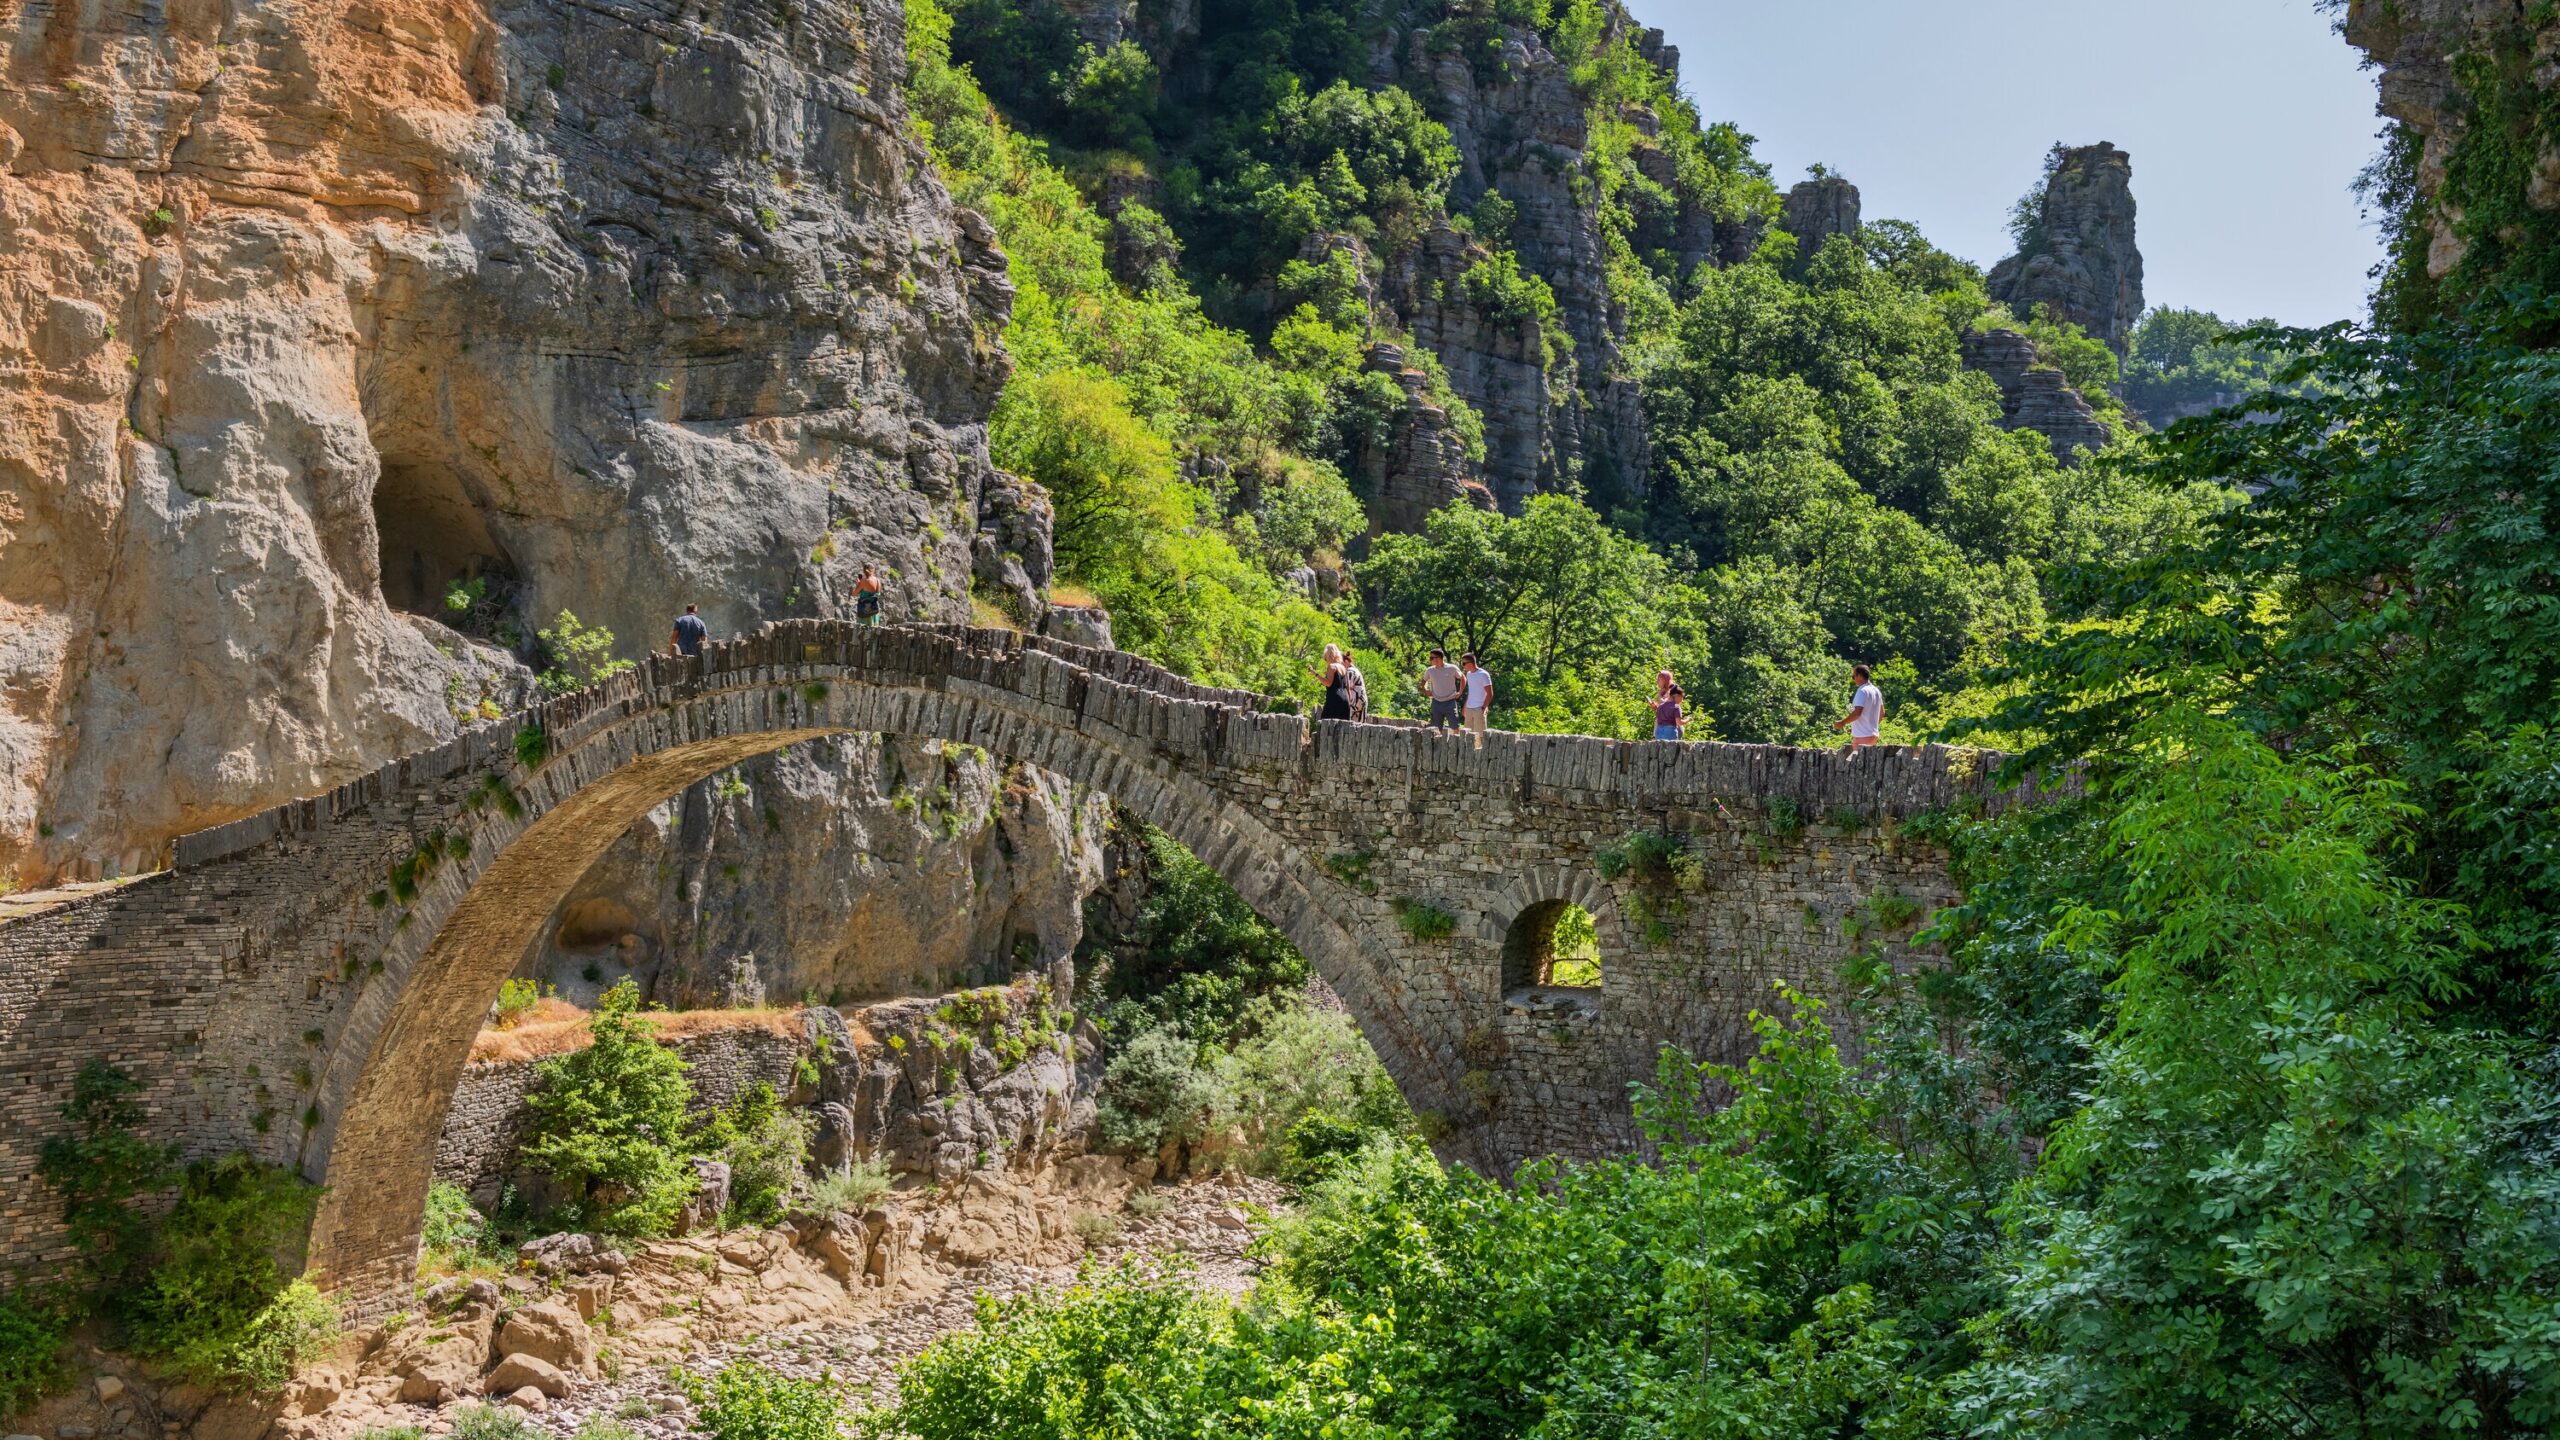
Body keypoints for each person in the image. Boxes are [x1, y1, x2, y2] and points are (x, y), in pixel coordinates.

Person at [1833, 664, 1883, 748]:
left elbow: (1857, 713)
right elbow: (1882, 713)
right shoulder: (1876, 691)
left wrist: (1842, 723)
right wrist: (1870, 726)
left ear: (1859, 676)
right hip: (1873, 735)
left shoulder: (1862, 691)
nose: (1853, 679)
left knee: (1858, 760)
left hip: (1862, 736)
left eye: (1853, 676)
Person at [1422, 649, 1464, 733]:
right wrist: (1426, 689)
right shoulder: (1430, 670)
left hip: (1450, 702)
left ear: (1439, 658)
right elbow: (1423, 681)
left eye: (1431, 658)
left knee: (1455, 727)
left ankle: (1456, 745)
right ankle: (1439, 745)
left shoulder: (1452, 668)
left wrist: (1460, 691)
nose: (1430, 660)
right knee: (1436, 729)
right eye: (1430, 658)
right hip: (1436, 702)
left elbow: (1463, 678)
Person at [1459, 652, 1493, 748]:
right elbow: (1471, 692)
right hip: (1469, 708)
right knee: (1467, 734)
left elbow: (1490, 694)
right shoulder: (1469, 674)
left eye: (1464, 663)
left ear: (1470, 663)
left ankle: (1480, 756)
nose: (1463, 666)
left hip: (1479, 708)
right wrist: (1465, 706)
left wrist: (1483, 708)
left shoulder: (1483, 674)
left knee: (1480, 735)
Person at [1314, 644, 1354, 721]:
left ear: (1328, 655)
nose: (1326, 661)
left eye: (1325, 658)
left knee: (1325, 725)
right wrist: (1349, 703)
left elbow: (1328, 683)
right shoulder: (1343, 668)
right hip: (1345, 700)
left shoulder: (1332, 666)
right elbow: (1348, 688)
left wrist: (1316, 674)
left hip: (1334, 699)